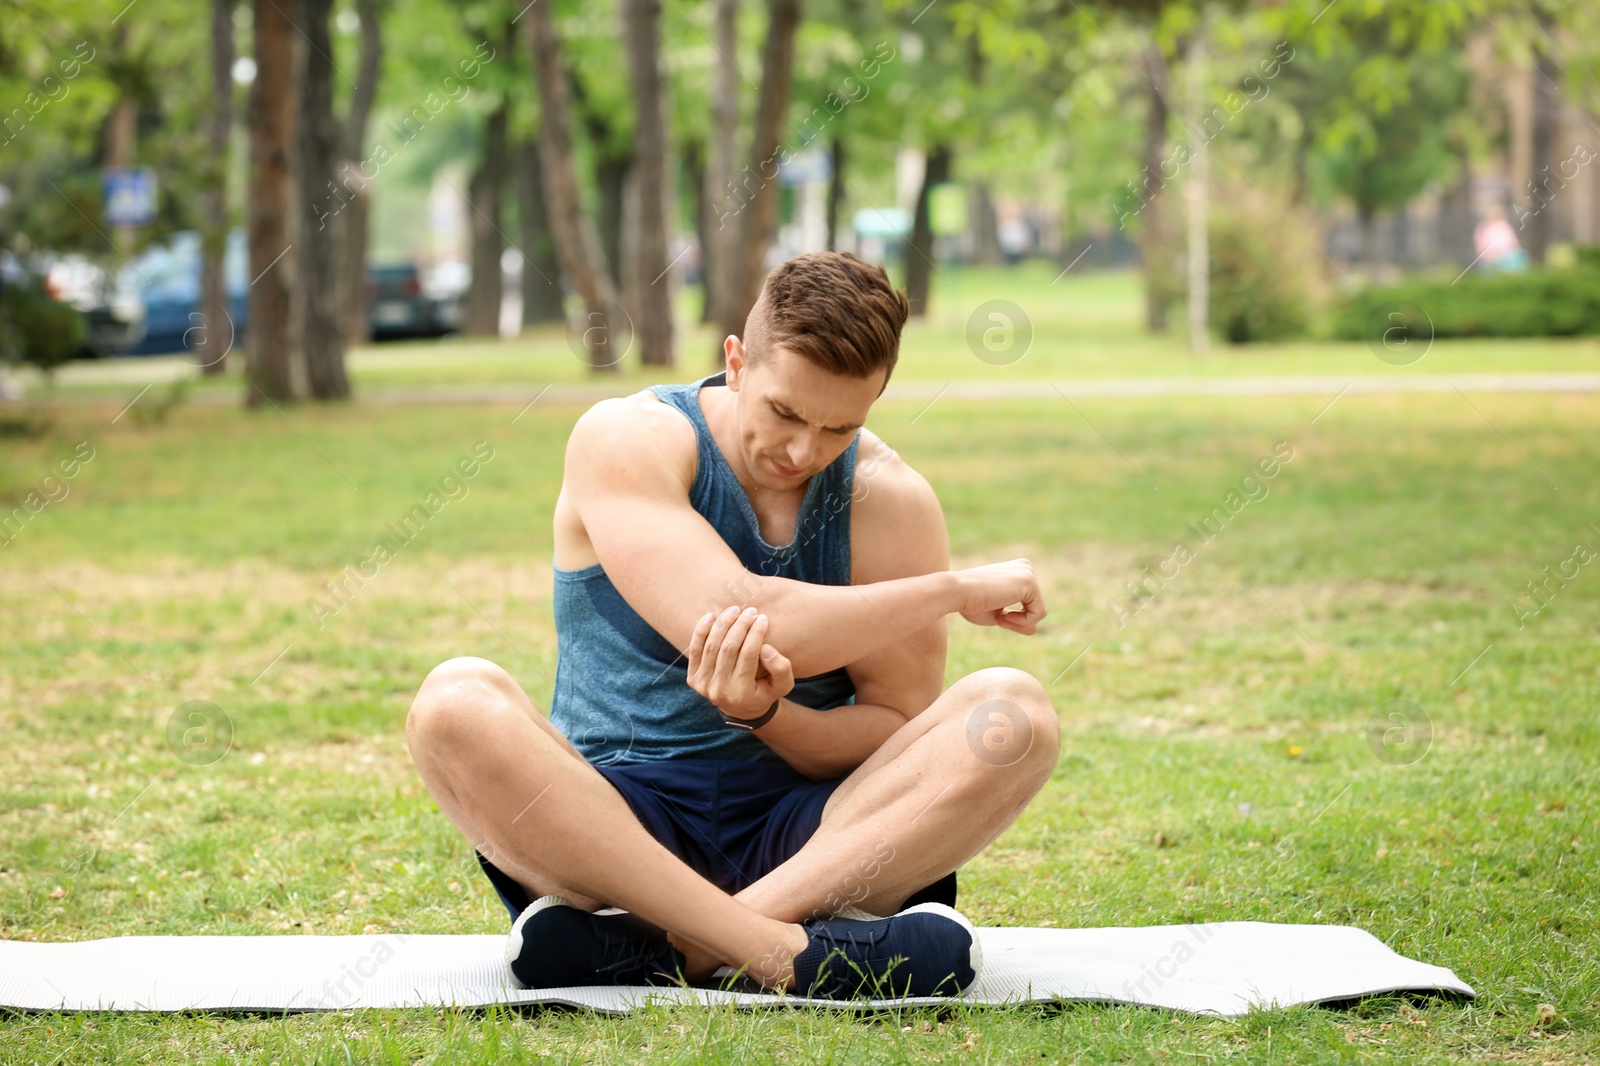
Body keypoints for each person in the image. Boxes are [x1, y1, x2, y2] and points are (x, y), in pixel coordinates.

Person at [406, 251, 1059, 999]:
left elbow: (893, 731)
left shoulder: (892, 499)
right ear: (737, 362)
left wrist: (769, 717)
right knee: (453, 702)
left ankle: (672, 948)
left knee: (1016, 712)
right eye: (784, 412)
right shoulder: (627, 437)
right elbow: (755, 618)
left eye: (840, 427)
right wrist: (949, 589)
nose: (802, 451)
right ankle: (795, 950)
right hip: (619, 821)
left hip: (813, 835)